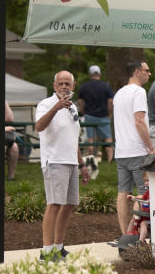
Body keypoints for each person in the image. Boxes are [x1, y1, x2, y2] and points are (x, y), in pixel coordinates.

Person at [34, 71, 89, 261]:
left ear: (73, 87)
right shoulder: (46, 104)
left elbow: (73, 139)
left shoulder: (73, 107)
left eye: (68, 83)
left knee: (69, 204)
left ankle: (59, 246)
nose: (64, 86)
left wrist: (82, 165)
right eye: (61, 83)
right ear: (54, 85)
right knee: (54, 204)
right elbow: (39, 126)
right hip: (54, 160)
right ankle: (46, 252)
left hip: (72, 161)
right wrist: (56, 108)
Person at [113, 61, 155, 238]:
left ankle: (125, 234)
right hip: (137, 151)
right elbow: (139, 121)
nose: (150, 73)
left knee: (123, 192)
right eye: (147, 70)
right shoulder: (139, 92)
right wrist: (151, 147)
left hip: (121, 151)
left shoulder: (119, 94)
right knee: (142, 193)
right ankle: (136, 235)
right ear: (137, 72)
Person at [77, 64, 114, 161]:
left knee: (91, 139)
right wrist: (110, 113)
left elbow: (80, 101)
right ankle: (110, 161)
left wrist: (83, 111)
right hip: (103, 116)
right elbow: (110, 101)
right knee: (108, 138)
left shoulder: (84, 86)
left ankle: (91, 160)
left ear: (90, 74)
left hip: (89, 116)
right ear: (100, 74)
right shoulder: (106, 85)